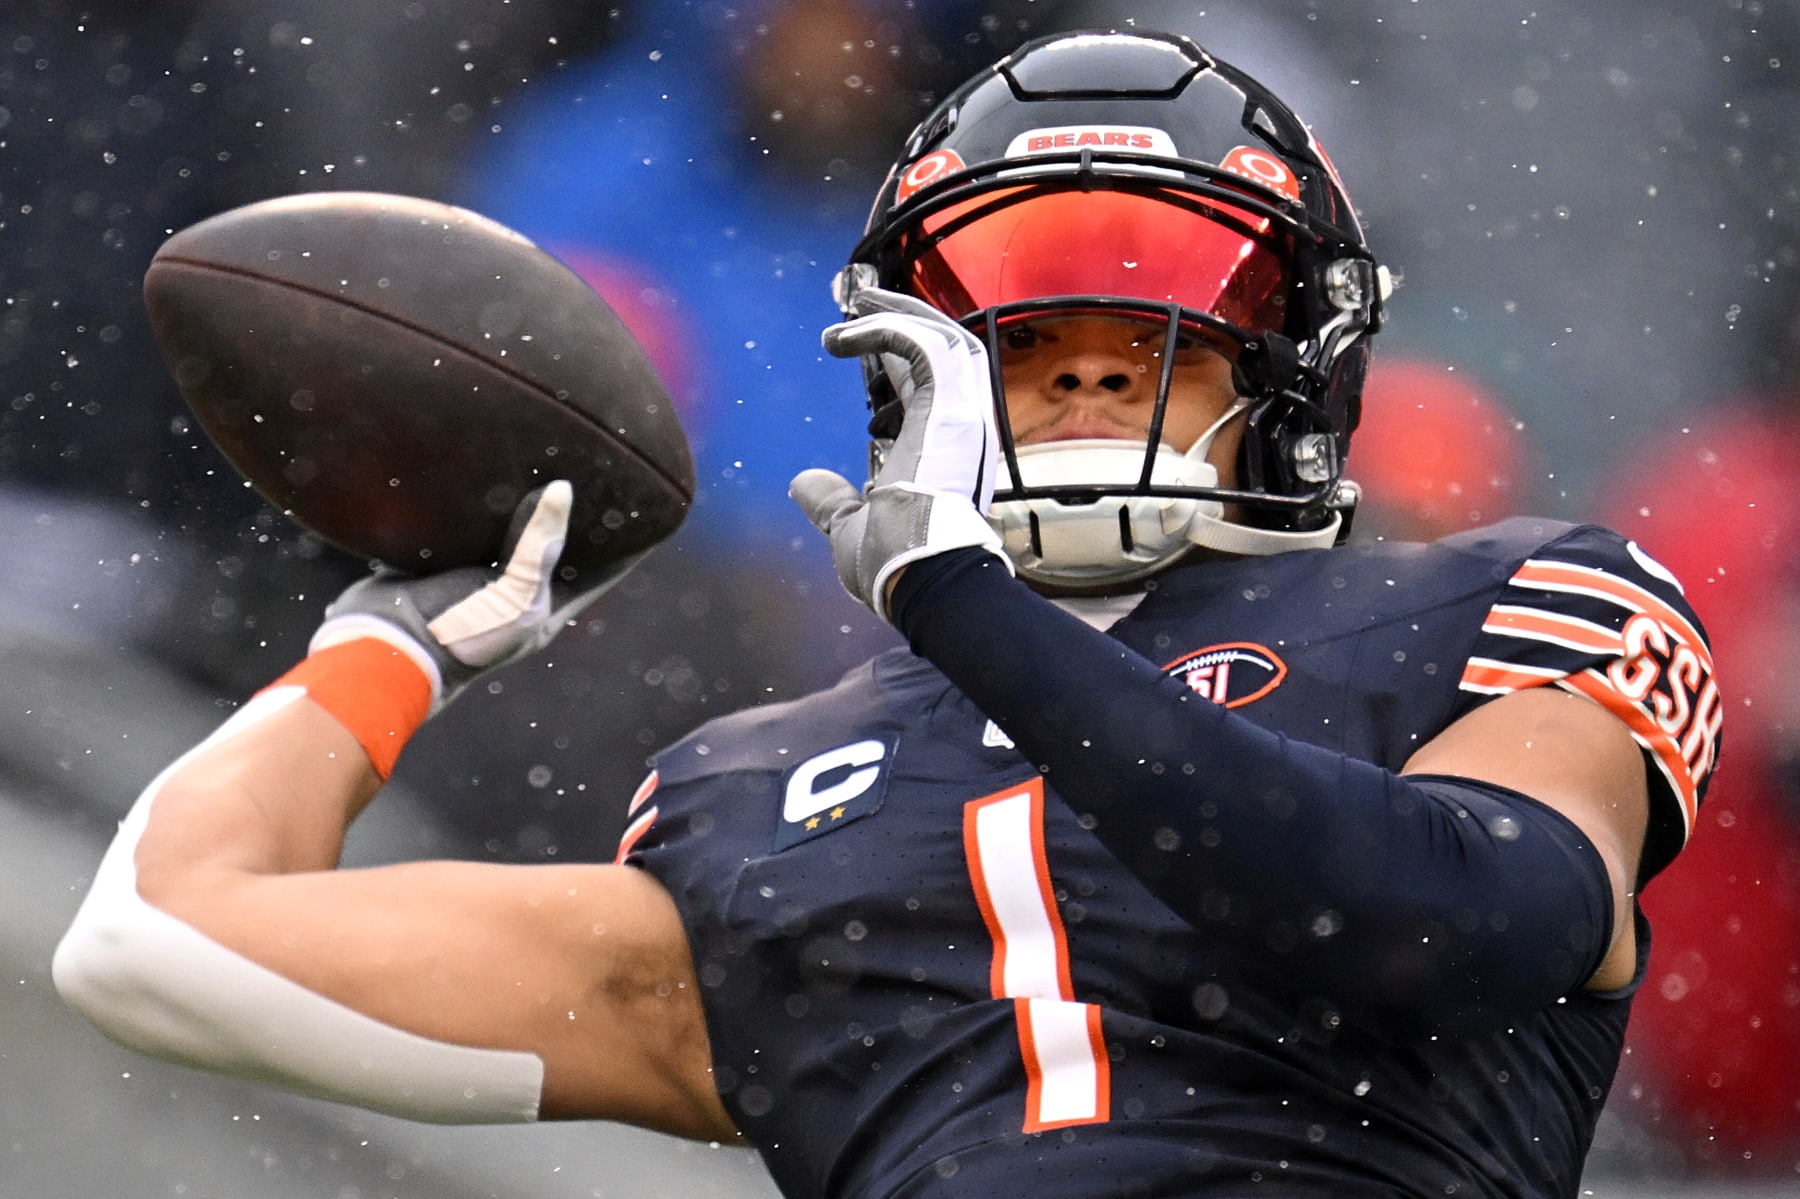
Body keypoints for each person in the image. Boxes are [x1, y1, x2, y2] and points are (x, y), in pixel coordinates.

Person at [51, 30, 1719, 1199]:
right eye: (1021, 328)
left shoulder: (1485, 602)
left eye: (1156, 328)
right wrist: (395, 640)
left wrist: (969, 609)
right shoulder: (753, 789)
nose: (1078, 363)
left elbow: (1456, 920)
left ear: (1297, 362)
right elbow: (160, 942)